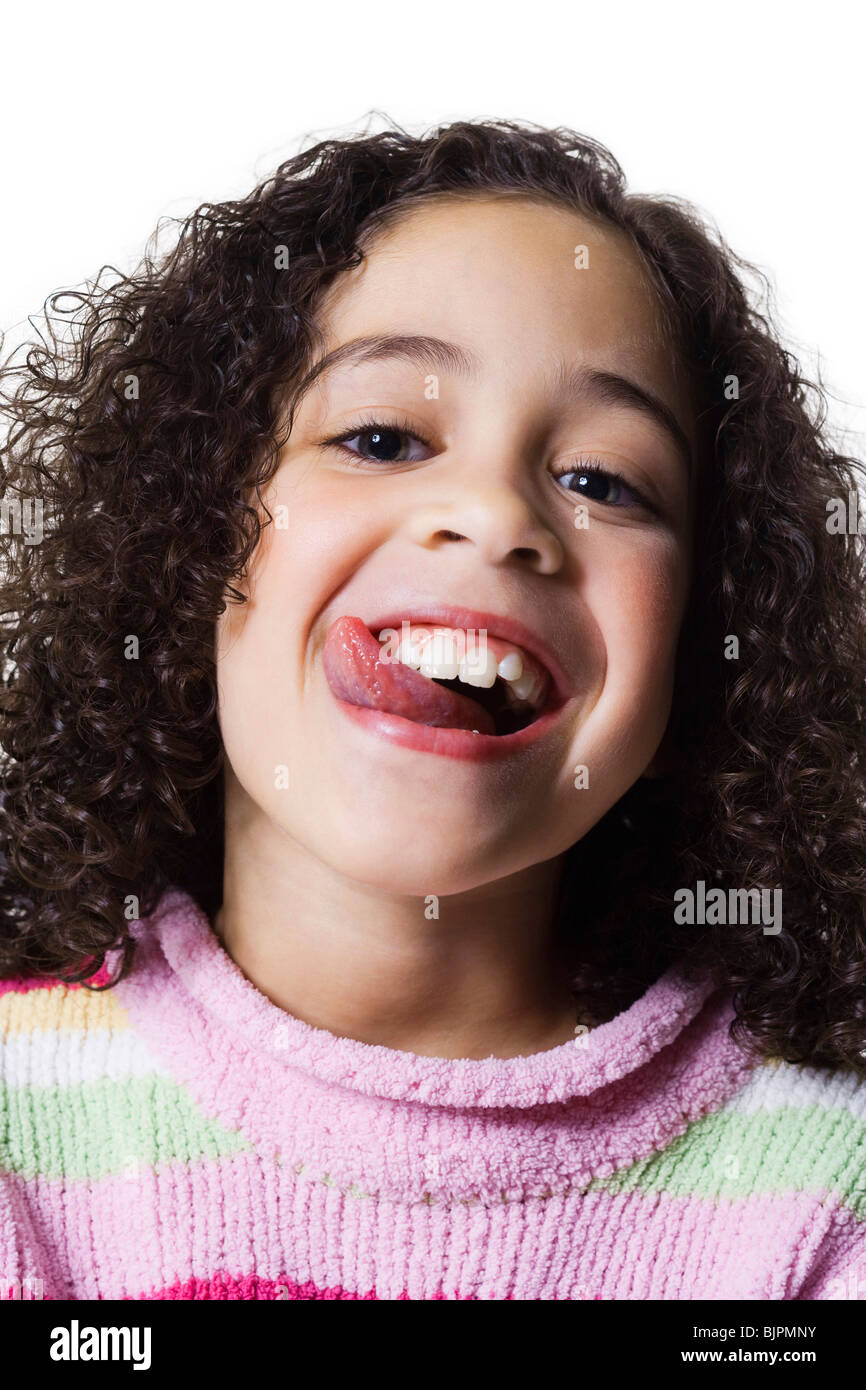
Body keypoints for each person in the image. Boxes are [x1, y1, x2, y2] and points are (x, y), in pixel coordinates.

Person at [1, 118, 864, 1301]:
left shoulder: (824, 1188)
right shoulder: (20, 1126)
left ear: (704, 653)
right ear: (182, 548)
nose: (493, 513)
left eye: (601, 481)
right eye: (380, 436)